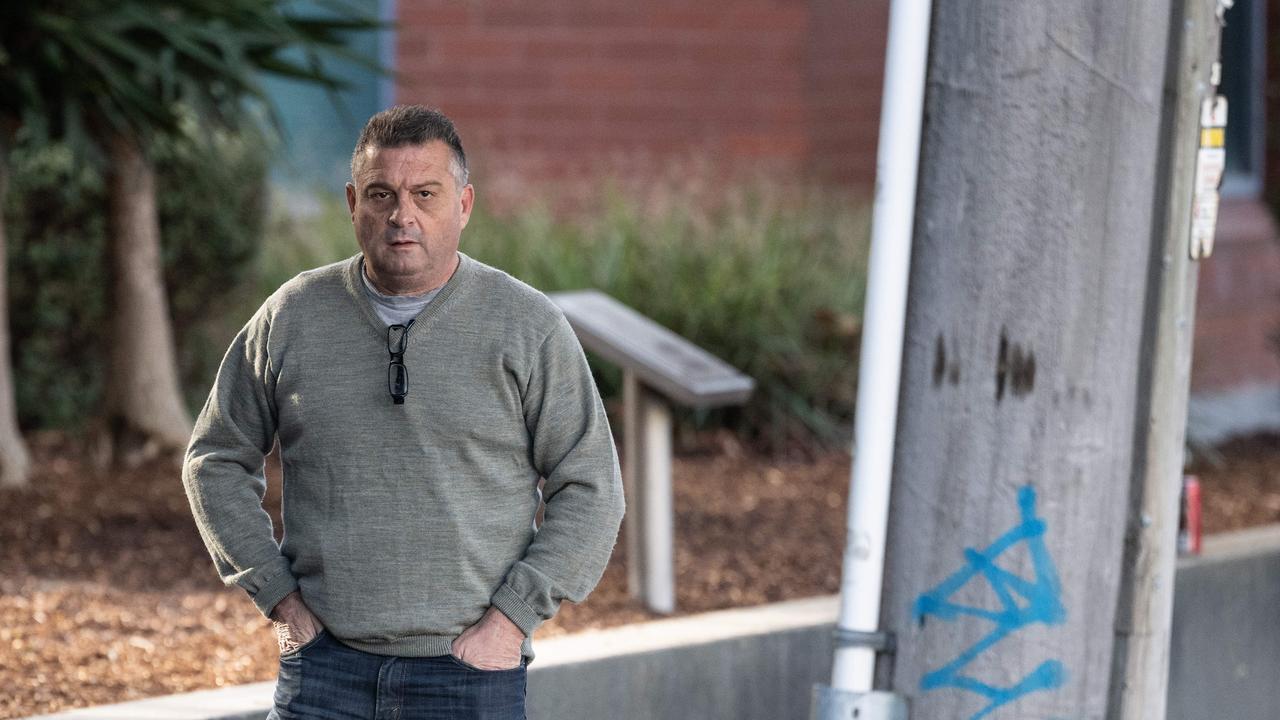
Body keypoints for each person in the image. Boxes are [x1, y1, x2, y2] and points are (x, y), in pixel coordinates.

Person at [182, 105, 626, 720]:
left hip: (469, 676)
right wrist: (278, 599)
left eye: (425, 194)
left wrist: (510, 623)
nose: (402, 216)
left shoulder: (526, 325)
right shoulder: (293, 316)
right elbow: (214, 459)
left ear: (464, 204)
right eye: (381, 194)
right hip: (324, 674)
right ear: (351, 203)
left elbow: (593, 489)